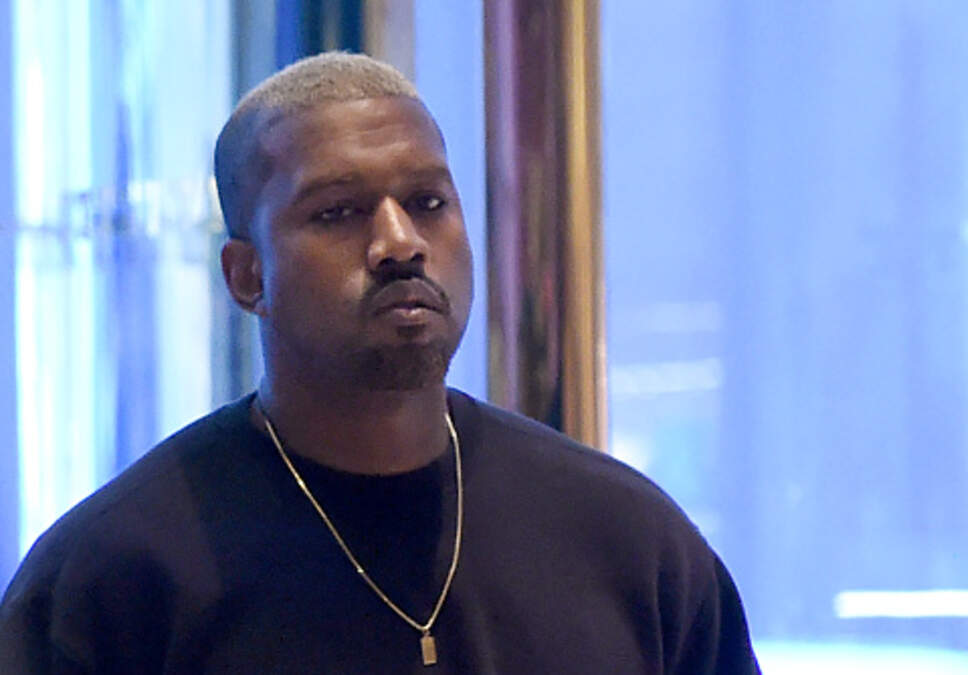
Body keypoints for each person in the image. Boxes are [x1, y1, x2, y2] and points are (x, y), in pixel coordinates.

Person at [0, 52, 760, 673]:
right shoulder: (112, 582)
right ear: (247, 275)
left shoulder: (631, 544)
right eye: (337, 212)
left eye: (428, 202)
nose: (401, 243)